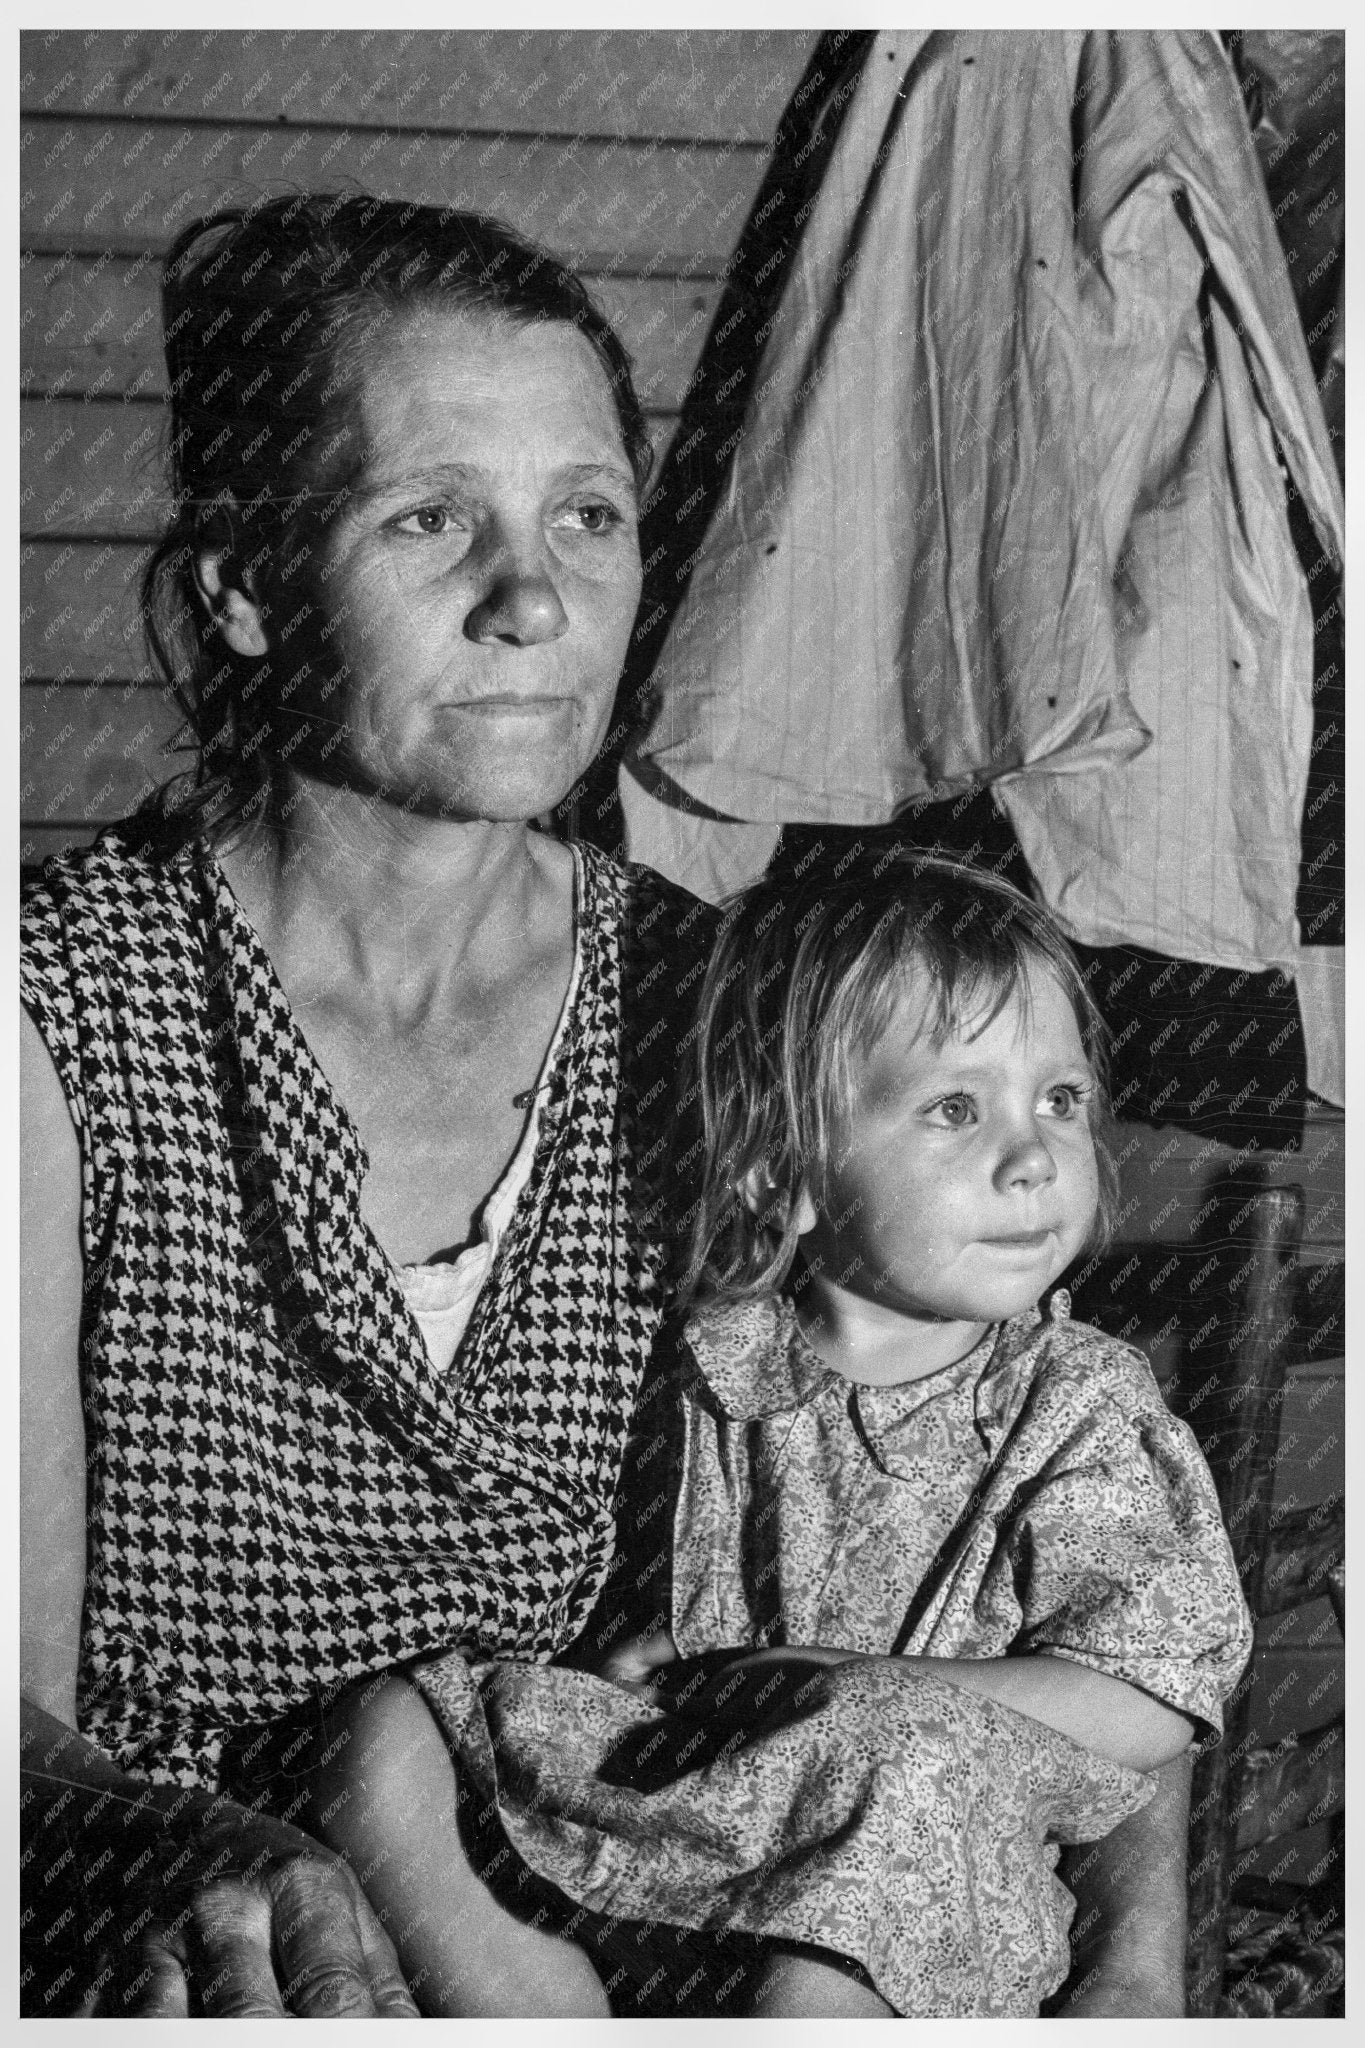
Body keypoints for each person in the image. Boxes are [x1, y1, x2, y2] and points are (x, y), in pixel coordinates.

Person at [19, 194, 714, 2018]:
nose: (536, 598)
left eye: (587, 514)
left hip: (602, 1917)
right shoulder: (61, 1005)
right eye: (430, 518)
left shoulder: (724, 1010)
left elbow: (1044, 1490)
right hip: (175, 1914)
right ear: (245, 584)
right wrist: (190, 1849)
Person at [290, 850, 1252, 2016]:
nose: (1035, 1154)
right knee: (384, 1730)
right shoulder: (721, 1350)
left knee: (890, 1785)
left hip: (914, 1860)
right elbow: (670, 1577)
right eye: (957, 1107)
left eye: (1060, 1098)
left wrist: (860, 1684)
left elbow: (1150, 1696)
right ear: (780, 1168)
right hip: (714, 1798)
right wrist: (650, 1651)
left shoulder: (1081, 1404)